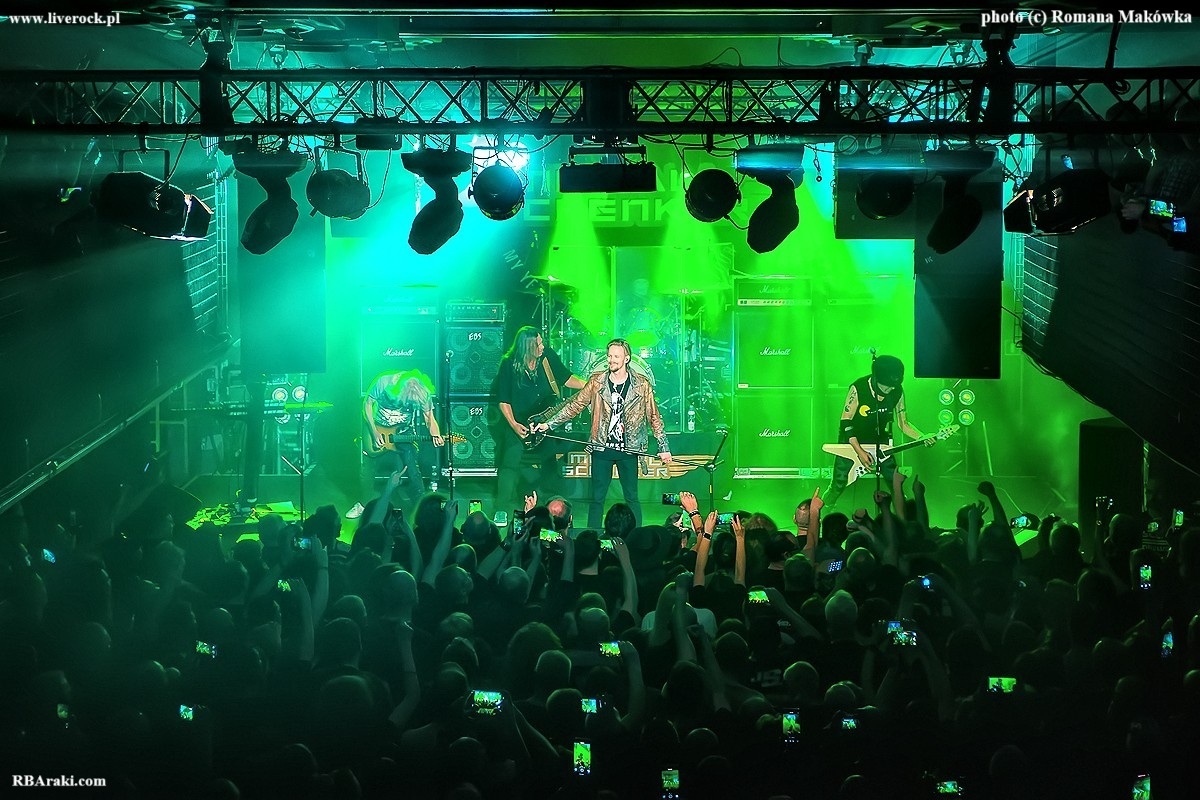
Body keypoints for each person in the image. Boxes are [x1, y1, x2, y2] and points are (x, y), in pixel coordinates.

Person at [531, 338, 671, 529]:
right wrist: (549, 424)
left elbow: (654, 416)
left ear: (627, 358)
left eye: (616, 356)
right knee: (597, 498)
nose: (611, 360)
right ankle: (593, 535)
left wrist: (663, 447)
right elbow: (575, 405)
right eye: (609, 356)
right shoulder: (597, 382)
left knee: (632, 497)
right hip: (602, 447)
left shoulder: (641, 384)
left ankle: (635, 535)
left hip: (629, 449)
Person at [823, 354, 931, 510]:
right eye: (886, 386)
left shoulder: (897, 391)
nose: (890, 390)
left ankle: (904, 516)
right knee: (838, 484)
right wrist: (859, 451)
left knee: (895, 482)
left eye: (893, 386)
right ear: (876, 379)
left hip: (880, 442)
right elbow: (846, 421)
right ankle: (823, 511)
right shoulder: (858, 388)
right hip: (852, 442)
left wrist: (922, 437)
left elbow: (903, 423)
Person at [495, 326, 586, 512]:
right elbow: (503, 400)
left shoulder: (547, 357)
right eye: (538, 344)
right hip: (518, 422)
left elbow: (566, 378)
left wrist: (589, 385)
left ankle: (552, 509)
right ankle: (501, 509)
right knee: (509, 465)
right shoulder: (508, 364)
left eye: (542, 342)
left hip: (544, 422)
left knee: (549, 462)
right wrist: (514, 424)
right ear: (527, 346)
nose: (542, 346)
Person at [348, 370, 444, 518]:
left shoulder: (423, 393)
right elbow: (367, 405)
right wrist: (374, 432)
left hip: (403, 432)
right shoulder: (383, 382)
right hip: (376, 428)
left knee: (412, 468)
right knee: (368, 468)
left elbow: (429, 418)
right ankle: (363, 505)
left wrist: (436, 434)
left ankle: (421, 506)